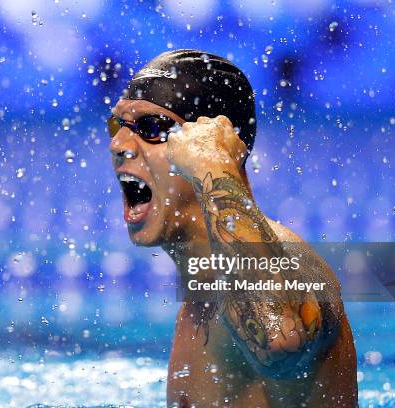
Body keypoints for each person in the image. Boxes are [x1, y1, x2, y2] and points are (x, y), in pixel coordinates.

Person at [108, 49, 357, 407]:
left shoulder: (290, 262)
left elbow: (277, 340)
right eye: (118, 125)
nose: (119, 145)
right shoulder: (205, 286)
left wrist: (215, 165)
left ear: (208, 146)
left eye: (152, 128)